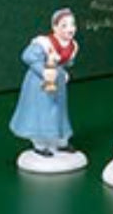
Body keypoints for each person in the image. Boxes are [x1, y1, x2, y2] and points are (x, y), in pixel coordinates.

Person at [10, 8, 79, 157]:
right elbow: (28, 56)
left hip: (57, 83)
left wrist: (62, 72)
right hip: (39, 83)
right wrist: (43, 71)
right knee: (41, 111)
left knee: (58, 111)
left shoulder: (72, 46)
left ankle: (61, 140)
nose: (70, 29)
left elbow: (66, 62)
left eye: (72, 24)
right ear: (55, 27)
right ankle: (40, 144)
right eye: (64, 25)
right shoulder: (44, 43)